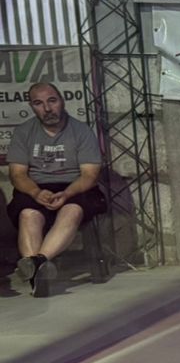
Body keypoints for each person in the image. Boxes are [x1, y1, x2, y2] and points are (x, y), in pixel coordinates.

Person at [5, 82, 105, 297]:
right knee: (28, 214)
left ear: (62, 101)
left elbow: (90, 175)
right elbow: (17, 174)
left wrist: (67, 193)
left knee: (72, 210)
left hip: (74, 186)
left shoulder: (81, 131)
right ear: (32, 107)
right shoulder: (24, 132)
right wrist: (35, 193)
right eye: (38, 103)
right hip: (37, 187)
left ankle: (36, 263)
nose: (47, 108)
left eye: (52, 101)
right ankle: (39, 277)